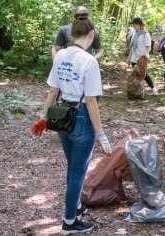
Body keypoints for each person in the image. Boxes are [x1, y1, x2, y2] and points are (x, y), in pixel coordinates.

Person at [31, 12, 112, 235]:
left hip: (61, 117)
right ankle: (69, 222)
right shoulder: (89, 61)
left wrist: (44, 116)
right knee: (78, 172)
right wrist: (101, 133)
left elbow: (53, 90)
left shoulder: (60, 55)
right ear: (91, 34)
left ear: (71, 34)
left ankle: (74, 204)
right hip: (82, 118)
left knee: (72, 167)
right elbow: (92, 101)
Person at [127, 17, 158, 95]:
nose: (133, 26)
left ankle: (154, 89)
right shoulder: (134, 33)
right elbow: (132, 47)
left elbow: (149, 47)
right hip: (134, 58)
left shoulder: (145, 34)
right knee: (136, 75)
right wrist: (129, 58)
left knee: (144, 75)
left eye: (134, 24)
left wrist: (145, 55)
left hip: (142, 59)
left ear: (138, 25)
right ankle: (136, 92)